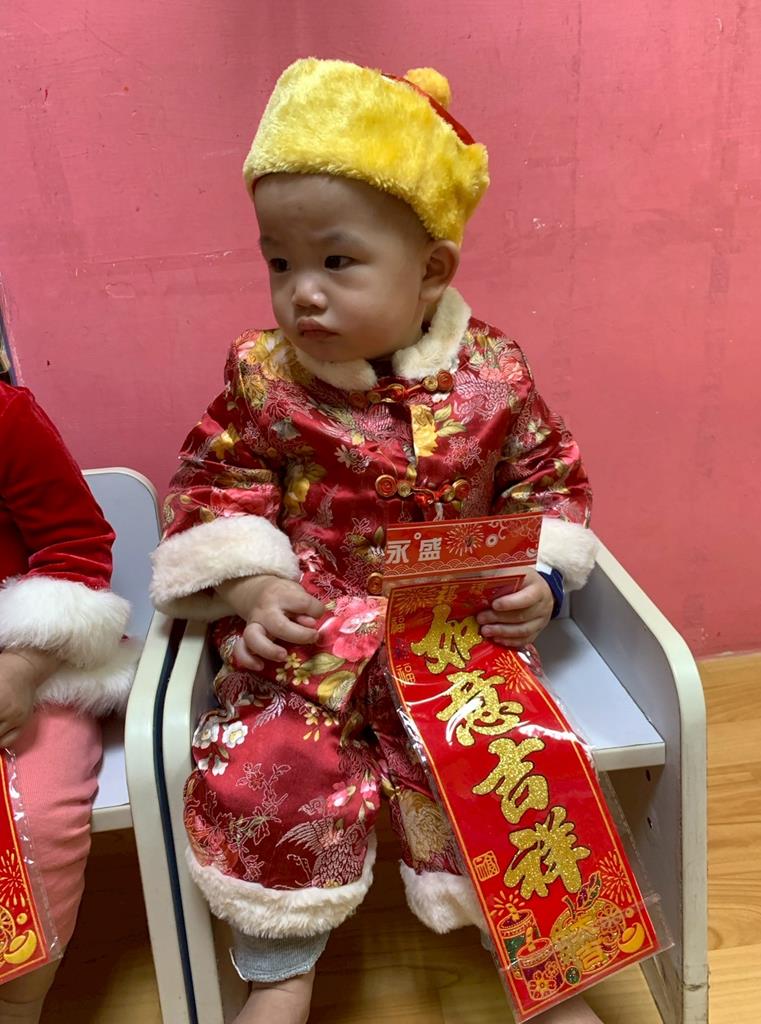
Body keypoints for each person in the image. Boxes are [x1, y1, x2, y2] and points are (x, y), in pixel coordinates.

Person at [151, 58, 601, 1024]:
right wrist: (249, 587)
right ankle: (280, 969)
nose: (302, 294)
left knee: (509, 769)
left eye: (337, 262)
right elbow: (213, 486)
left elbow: (548, 480)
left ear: (431, 270)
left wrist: (543, 576)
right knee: (268, 766)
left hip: (457, 631)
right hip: (313, 634)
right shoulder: (265, 381)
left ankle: (544, 959)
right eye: (280, 264)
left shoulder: (494, 377)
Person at [0, 381, 135, 1022]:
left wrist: (23, 667)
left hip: (29, 661)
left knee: (37, 820)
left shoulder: (7, 418)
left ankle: (18, 1003)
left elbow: (77, 547)